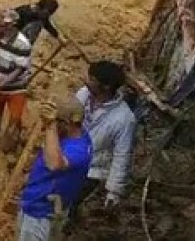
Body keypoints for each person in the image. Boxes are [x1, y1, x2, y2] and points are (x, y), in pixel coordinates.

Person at [17, 98, 93, 241]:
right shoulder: (69, 137)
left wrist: (51, 126)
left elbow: (53, 164)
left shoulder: (79, 150)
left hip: (41, 215)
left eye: (57, 121)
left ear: (68, 123)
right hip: (33, 204)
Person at [73, 61, 136, 216]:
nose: (86, 81)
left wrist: (114, 190)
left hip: (91, 170)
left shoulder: (124, 119)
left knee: (68, 202)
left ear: (106, 87)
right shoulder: (83, 95)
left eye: (92, 79)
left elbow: (122, 155)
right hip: (69, 158)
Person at [0, 10, 34, 143]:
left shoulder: (23, 44)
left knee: (15, 118)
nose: (0, 29)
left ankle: (9, 144)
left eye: (3, 26)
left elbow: (20, 69)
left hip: (16, 85)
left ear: (13, 25)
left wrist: (2, 83)